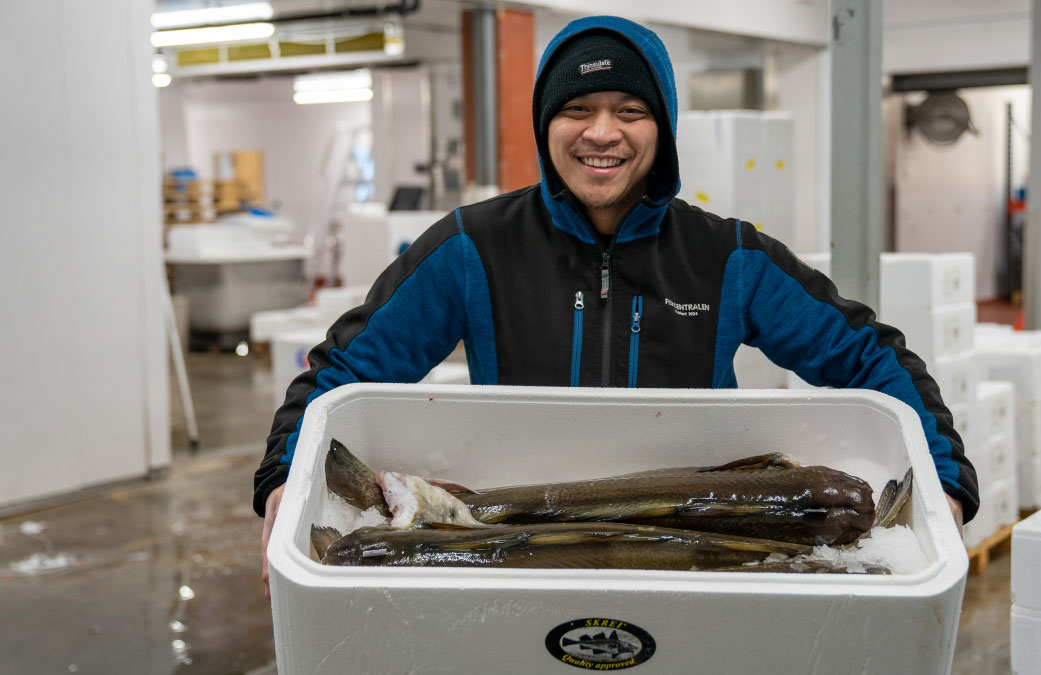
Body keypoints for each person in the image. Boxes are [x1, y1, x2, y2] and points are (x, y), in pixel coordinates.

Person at [254, 15, 978, 596]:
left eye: (629, 110)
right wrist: (285, 479)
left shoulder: (726, 256)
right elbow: (346, 368)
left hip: (692, 564)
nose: (602, 132)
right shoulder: (471, 247)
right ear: (546, 126)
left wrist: (944, 482)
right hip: (519, 564)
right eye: (577, 109)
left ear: (660, 129)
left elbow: (870, 355)